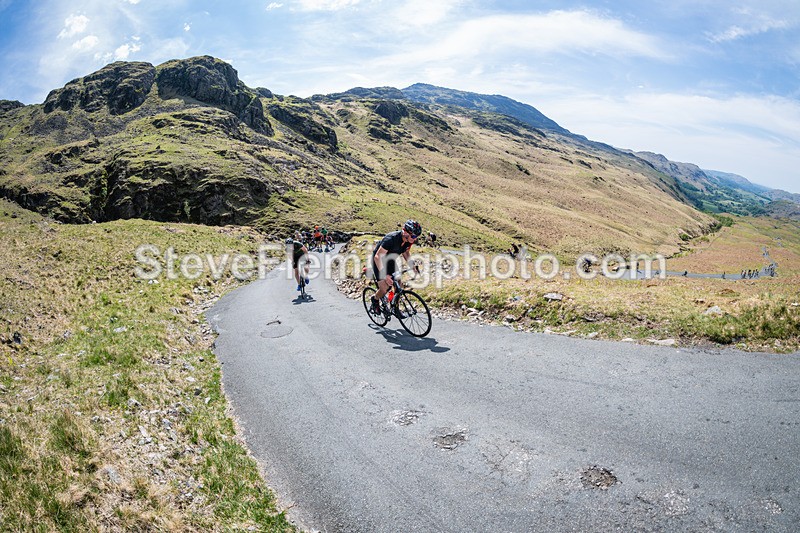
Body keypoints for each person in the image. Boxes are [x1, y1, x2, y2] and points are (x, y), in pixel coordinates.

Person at [369, 219, 422, 314]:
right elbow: (377, 257)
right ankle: (375, 299)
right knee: (385, 288)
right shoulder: (390, 239)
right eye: (413, 236)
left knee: (399, 285)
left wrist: (413, 267)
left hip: (390, 260)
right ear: (405, 232)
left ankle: (394, 307)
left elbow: (406, 253)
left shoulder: (408, 241)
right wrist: (385, 276)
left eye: (417, 237)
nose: (415, 239)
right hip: (378, 260)